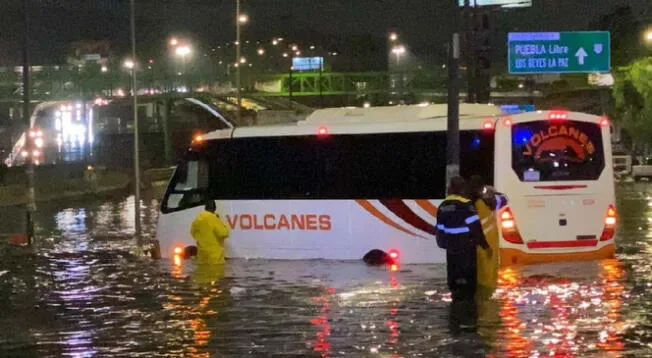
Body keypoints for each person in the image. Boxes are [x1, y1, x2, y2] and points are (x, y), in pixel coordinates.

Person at [436, 176, 492, 301]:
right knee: (468, 283)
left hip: (450, 249)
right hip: (466, 248)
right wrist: (486, 247)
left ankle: (455, 309)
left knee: (454, 281)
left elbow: (439, 229)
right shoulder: (466, 205)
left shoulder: (443, 206)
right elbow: (476, 229)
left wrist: (443, 244)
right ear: (462, 189)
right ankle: (468, 311)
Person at [468, 175, 508, 299]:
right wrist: (492, 193)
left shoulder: (470, 201)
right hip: (487, 243)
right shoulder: (488, 200)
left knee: (481, 274)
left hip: (477, 243)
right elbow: (505, 199)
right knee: (488, 276)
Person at [190, 200, 231, 265]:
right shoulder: (214, 219)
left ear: (205, 208)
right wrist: (220, 221)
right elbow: (224, 233)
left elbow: (192, 232)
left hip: (202, 256)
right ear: (215, 208)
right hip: (215, 258)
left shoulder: (198, 219)